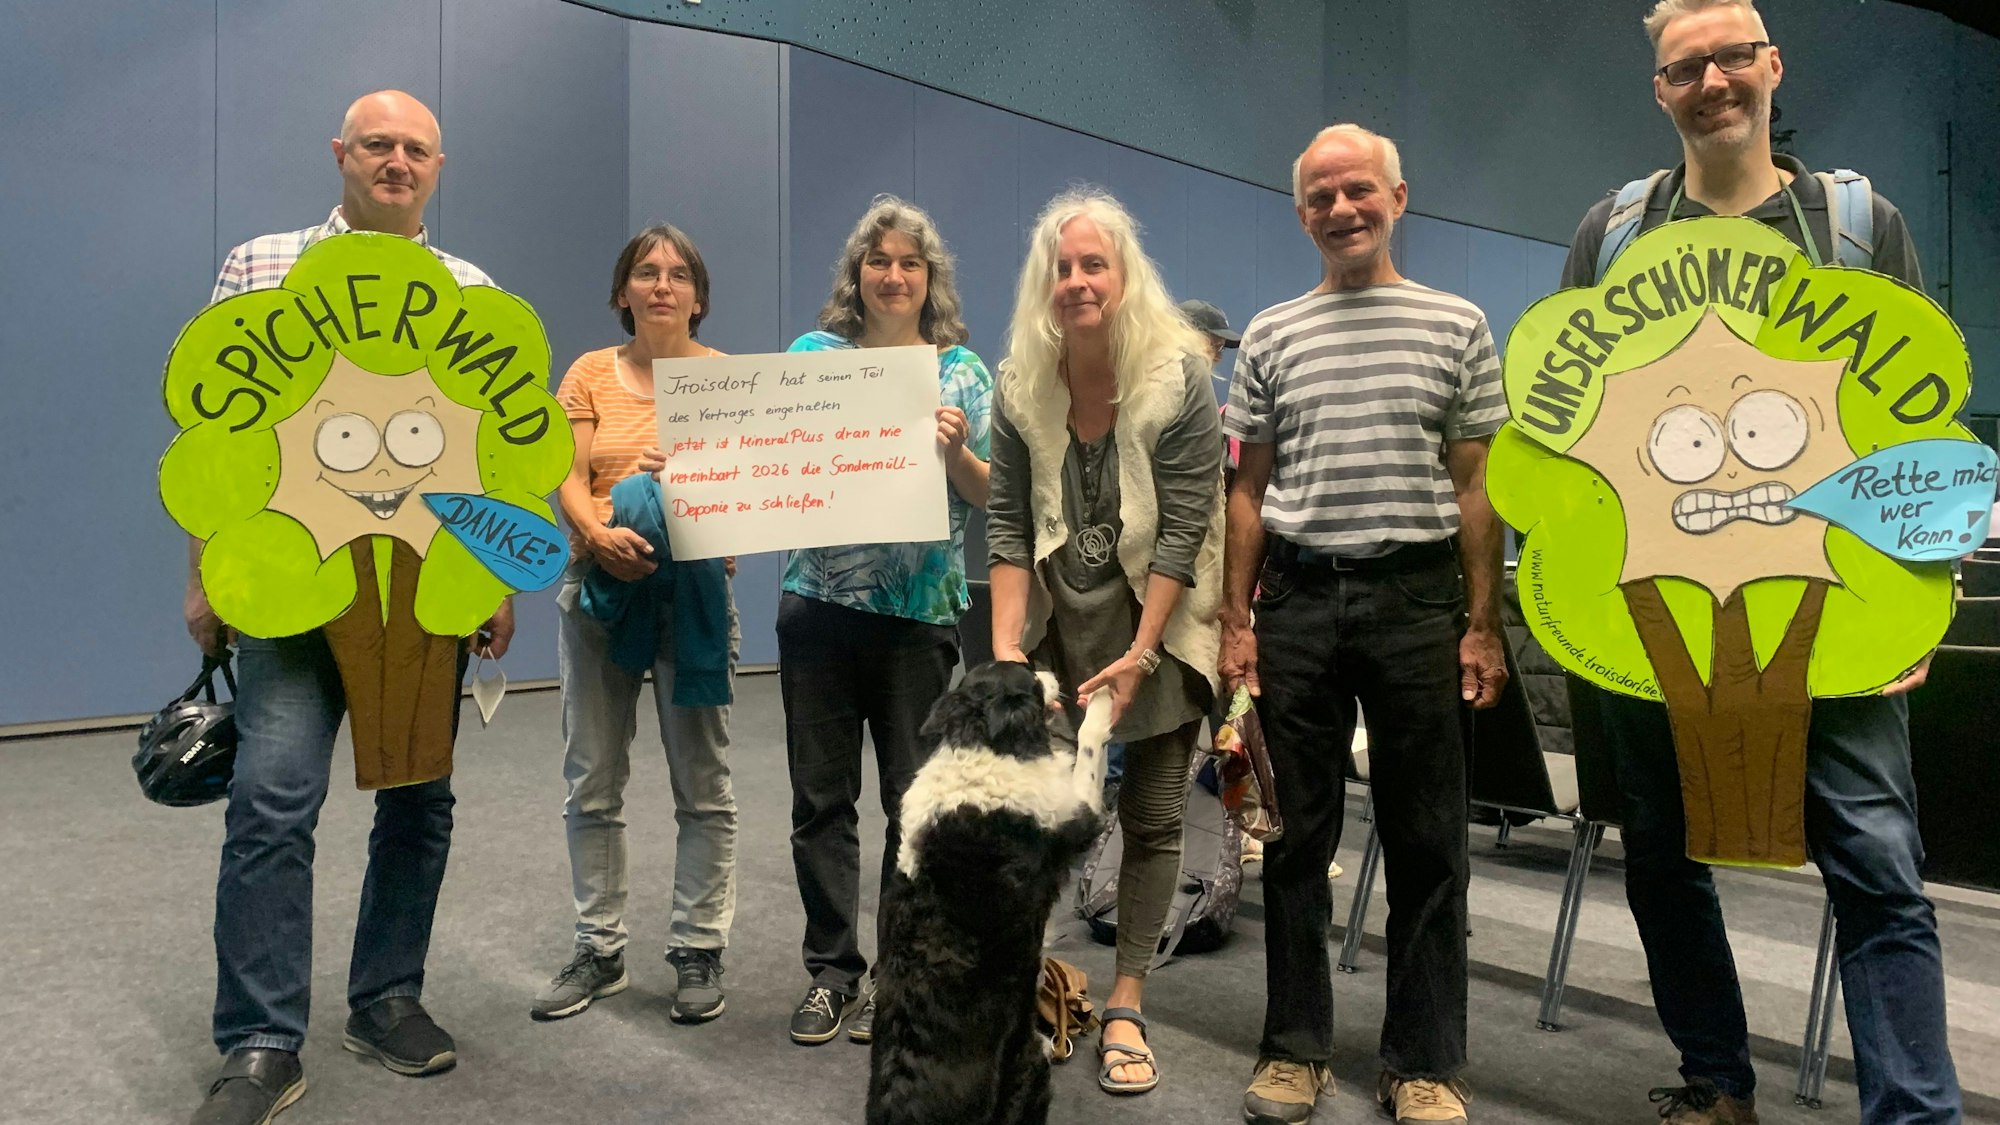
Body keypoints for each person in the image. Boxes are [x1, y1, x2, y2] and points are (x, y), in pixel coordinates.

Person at [1561, 3, 1959, 1122]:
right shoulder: (1613, 233)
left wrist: (1919, 600)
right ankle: (1714, 1087)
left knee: (1876, 872)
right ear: (1659, 92)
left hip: (1831, 611)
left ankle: (1913, 1114)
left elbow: (1914, 420)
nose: (1711, 81)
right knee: (1661, 862)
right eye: (1682, 67)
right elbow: (1572, 426)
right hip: (1661, 614)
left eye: (1732, 57)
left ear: (1771, 68)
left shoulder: (1851, 223)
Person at [182, 90, 506, 1125]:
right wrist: (204, 572)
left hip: (423, 599)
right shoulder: (258, 266)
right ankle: (261, 1040)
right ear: (341, 154)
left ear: (439, 167)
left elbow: (487, 456)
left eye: (416, 148)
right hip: (285, 586)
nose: (396, 161)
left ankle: (387, 997)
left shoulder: (469, 290)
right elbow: (215, 432)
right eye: (378, 144)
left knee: (418, 801)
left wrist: (491, 577)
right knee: (273, 802)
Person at [1222, 124, 1508, 1125]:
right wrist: (1234, 619)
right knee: (1294, 840)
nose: (1341, 210)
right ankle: (1293, 1050)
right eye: (1319, 197)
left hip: (1418, 603)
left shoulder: (1457, 325)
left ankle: (1422, 1064)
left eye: (1358, 192)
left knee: (1427, 841)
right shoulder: (1265, 334)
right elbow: (1245, 492)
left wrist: (1483, 621)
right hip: (1294, 604)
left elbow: (1477, 484)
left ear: (1397, 195)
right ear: (1299, 212)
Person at [988, 187, 1225, 1098]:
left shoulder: (1178, 379)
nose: (1079, 281)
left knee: (1154, 816)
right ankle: (1030, 980)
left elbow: (1184, 531)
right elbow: (1007, 527)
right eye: (1064, 268)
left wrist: (1145, 651)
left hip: (1157, 628)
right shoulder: (1020, 385)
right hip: (1060, 632)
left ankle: (1126, 998)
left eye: (1096, 265)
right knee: (1035, 819)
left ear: (1126, 279)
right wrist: (1010, 647)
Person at [779, 195, 992, 1046]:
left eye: (910, 262)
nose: (893, 275)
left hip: (916, 620)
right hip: (818, 610)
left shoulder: (963, 371)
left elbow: (985, 494)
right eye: (879, 262)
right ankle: (833, 973)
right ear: (856, 276)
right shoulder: (811, 356)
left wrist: (951, 449)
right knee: (820, 801)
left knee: (915, 806)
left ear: (928, 278)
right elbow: (774, 458)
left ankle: (900, 977)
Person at [530, 224, 740, 1027]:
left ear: (698, 294)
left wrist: (690, 485)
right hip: (599, 590)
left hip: (694, 593)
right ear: (623, 292)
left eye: (678, 273)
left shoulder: (727, 381)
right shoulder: (588, 373)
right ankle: (600, 946)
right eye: (646, 273)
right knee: (592, 778)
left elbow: (742, 494)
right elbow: (568, 476)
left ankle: (696, 947)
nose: (662, 285)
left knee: (704, 784)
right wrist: (596, 534)